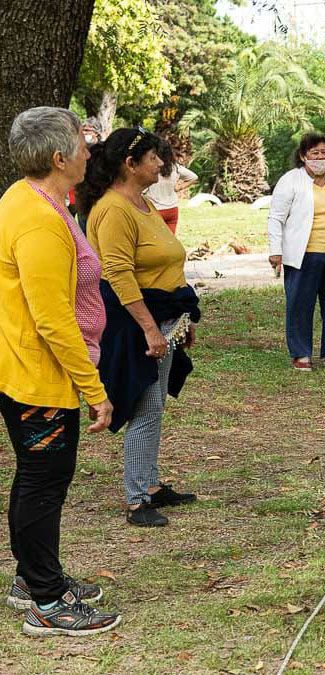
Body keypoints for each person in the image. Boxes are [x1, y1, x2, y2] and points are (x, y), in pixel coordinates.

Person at [1, 106, 121, 636]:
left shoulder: (27, 196)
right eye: (82, 142)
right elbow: (52, 318)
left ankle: (32, 577)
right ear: (58, 157)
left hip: (26, 367)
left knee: (37, 479)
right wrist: (94, 390)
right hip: (37, 376)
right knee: (43, 482)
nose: (89, 151)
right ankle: (48, 602)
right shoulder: (39, 221)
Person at [79, 126, 201, 528]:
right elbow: (117, 274)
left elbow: (164, 261)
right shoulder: (113, 209)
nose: (160, 164)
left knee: (155, 404)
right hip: (135, 320)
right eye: (152, 158)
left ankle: (149, 485)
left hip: (164, 315)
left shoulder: (142, 202)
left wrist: (180, 322)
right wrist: (149, 329)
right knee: (145, 408)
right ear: (129, 165)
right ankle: (136, 499)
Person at [266, 133, 325, 371]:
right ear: (303, 156)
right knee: (300, 303)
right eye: (314, 153)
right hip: (303, 253)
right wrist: (275, 250)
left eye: (323, 153)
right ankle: (301, 354)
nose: (319, 158)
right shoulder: (291, 180)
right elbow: (276, 218)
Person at [143, 141, 197, 235]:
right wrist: (180, 187)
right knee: (170, 242)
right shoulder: (175, 168)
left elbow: (142, 190)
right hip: (172, 210)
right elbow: (194, 177)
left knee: (155, 242)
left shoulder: (151, 169)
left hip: (155, 210)